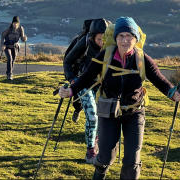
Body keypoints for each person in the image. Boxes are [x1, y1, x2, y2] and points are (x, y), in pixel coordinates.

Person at [59, 17, 180, 180]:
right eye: (121, 36)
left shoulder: (142, 58)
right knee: (105, 157)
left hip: (134, 111)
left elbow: (159, 79)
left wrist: (172, 93)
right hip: (108, 111)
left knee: (132, 159)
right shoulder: (105, 55)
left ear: (135, 38)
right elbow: (86, 77)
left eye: (129, 36)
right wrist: (71, 90)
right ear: (115, 38)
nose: (125, 40)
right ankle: (99, 173)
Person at [63, 18, 110, 163]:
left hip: (102, 85)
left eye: (104, 39)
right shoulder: (84, 42)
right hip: (83, 84)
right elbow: (67, 61)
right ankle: (90, 150)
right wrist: (72, 79)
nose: (102, 42)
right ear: (92, 36)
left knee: (103, 117)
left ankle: (96, 140)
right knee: (92, 116)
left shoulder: (111, 45)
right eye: (99, 39)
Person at [0, 16, 27, 80]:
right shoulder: (9, 29)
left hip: (15, 47)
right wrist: (2, 45)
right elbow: (2, 36)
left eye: (16, 23)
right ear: (12, 23)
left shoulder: (21, 29)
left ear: (18, 23)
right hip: (7, 46)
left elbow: (22, 39)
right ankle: (9, 75)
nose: (15, 25)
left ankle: (9, 73)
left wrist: (25, 39)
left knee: (13, 61)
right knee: (10, 59)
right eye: (14, 23)